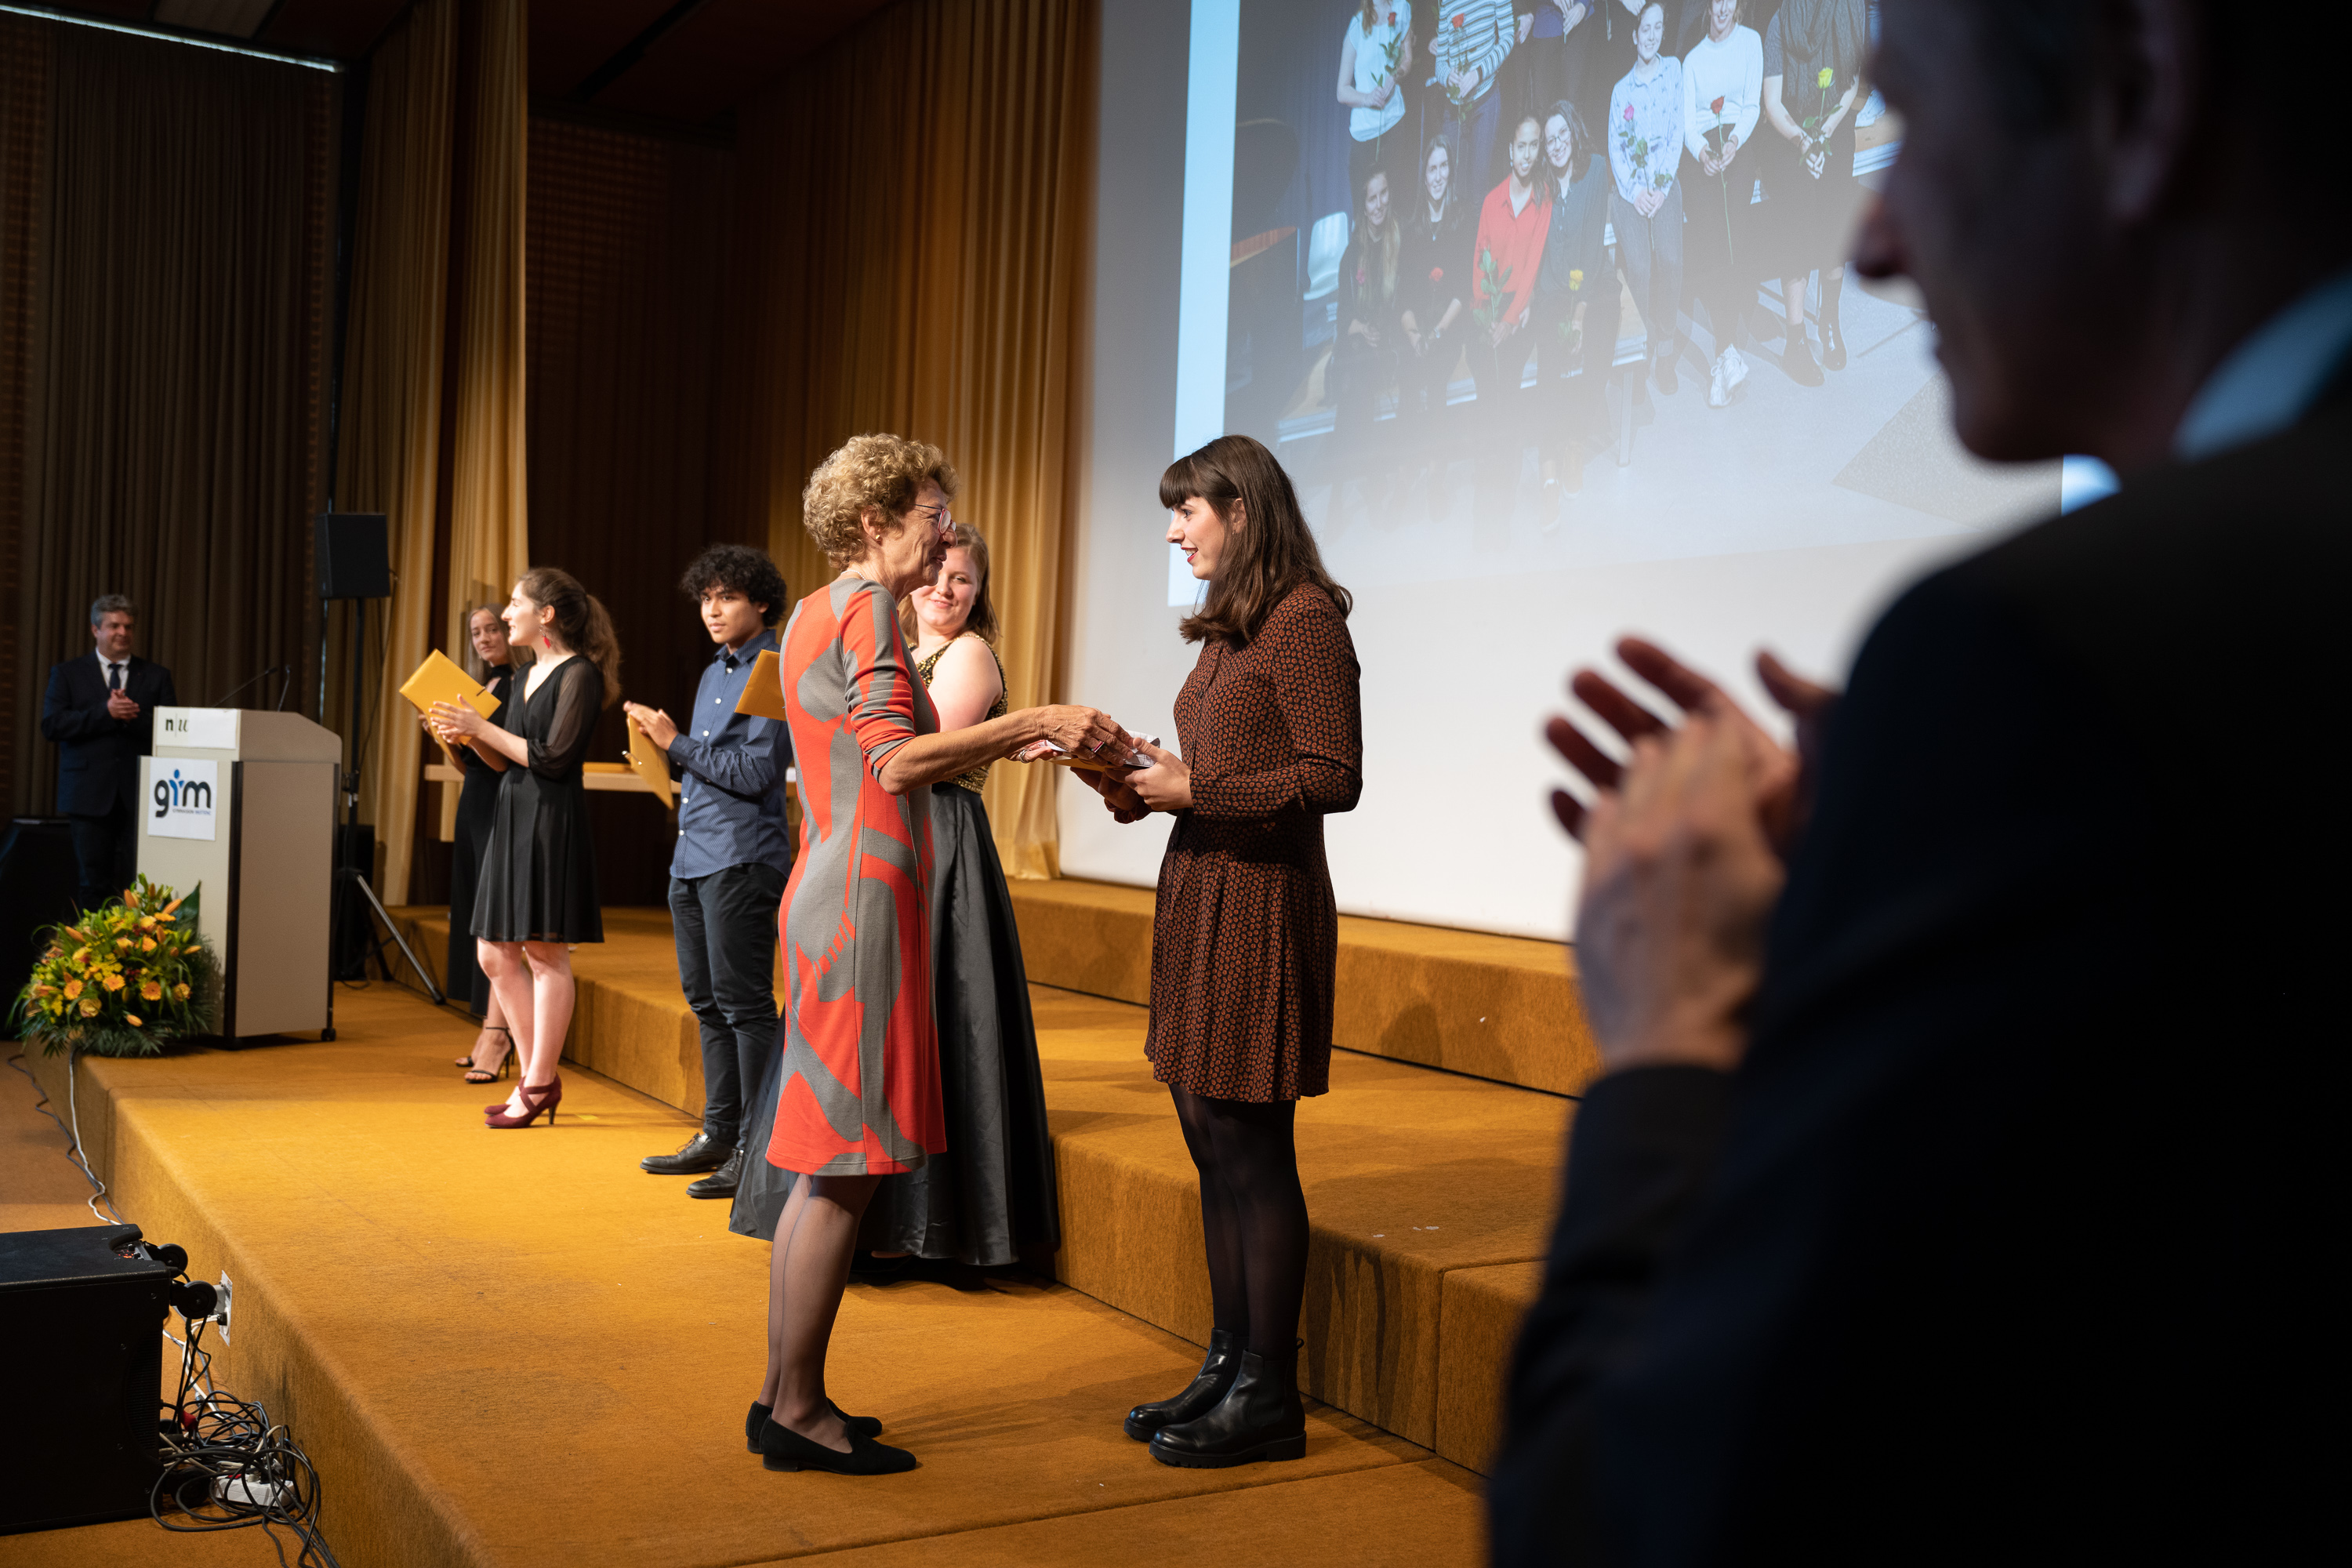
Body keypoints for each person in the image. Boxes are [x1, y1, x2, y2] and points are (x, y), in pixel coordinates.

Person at [1490, 0, 2352, 1560]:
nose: (1873, 244)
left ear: (2144, 100)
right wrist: (1917, 859)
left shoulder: (2041, 661)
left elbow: (1635, 1518)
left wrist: (1677, 1033)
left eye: (1903, 128)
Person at [745, 434, 1125, 1477]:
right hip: (864, 898)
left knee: (826, 1168)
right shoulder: (870, 607)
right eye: (931, 515)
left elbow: (874, 750)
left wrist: (1007, 738)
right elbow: (897, 761)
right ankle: (798, 1409)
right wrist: (1029, 719)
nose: (945, 533)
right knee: (846, 1172)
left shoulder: (815, 609)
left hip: (829, 886)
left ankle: (783, 1394)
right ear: (875, 522)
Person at [1080, 434, 1363, 1470]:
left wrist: (1198, 788)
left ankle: (1269, 1393)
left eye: (1186, 510)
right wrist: (1138, 778)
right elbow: (1224, 762)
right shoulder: (1231, 625)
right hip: (1203, 888)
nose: (1173, 531)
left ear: (1241, 510)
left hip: (1262, 900)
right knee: (1208, 1137)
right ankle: (1227, 1361)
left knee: (1251, 1146)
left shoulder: (1305, 619)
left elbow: (1333, 776)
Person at [855, 521, 1061, 1269]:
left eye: (963, 579)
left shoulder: (968, 653)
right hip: (891, 835)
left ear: (980, 593)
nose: (945, 590)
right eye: (937, 574)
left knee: (938, 1020)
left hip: (938, 841)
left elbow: (922, 753)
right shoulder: (897, 650)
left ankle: (927, 1228)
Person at [623, 546, 796, 1201]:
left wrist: (675, 744)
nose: (713, 609)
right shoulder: (712, 670)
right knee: (705, 1002)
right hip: (693, 855)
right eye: (705, 597)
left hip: (742, 857)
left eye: (727, 597)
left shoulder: (775, 669)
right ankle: (720, 1133)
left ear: (760, 602)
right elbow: (704, 765)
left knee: (746, 1006)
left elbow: (756, 773)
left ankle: (756, 1146)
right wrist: (659, 751)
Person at [428, 567, 620, 1131]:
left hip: (549, 820)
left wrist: (482, 728)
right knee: (494, 954)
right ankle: (539, 1077)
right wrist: (466, 736)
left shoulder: (579, 674)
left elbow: (553, 758)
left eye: (515, 604)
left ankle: (536, 1081)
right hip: (512, 812)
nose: (507, 614)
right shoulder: (525, 675)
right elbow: (502, 759)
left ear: (547, 615)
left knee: (544, 953)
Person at [41, 595, 177, 913]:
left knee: (141, 884)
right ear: (95, 630)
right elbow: (52, 725)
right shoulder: (68, 673)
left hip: (142, 796)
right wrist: (106, 712)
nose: (123, 633)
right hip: (88, 795)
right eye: (114, 626)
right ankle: (94, 944)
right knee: (93, 884)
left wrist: (133, 716)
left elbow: (170, 730)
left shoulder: (156, 675)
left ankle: (139, 944)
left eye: (128, 626)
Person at [1759, 0, 1867, 384]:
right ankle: (1796, 341)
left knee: (1835, 225)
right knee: (1799, 227)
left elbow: (1851, 85)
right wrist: (1805, 143)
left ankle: (1829, 322)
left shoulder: (1848, 9)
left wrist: (1824, 134)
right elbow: (1773, 102)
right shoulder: (1779, 22)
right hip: (1791, 134)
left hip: (1832, 127)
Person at [440, 605, 521, 1082]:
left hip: (500, 803)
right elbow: (469, 764)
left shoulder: (517, 683)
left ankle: (498, 1035)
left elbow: (503, 759)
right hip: (474, 800)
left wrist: (472, 734)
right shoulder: (481, 686)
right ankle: (487, 1031)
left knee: (497, 923)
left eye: (493, 629)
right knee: (476, 916)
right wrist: (449, 739)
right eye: (476, 632)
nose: (485, 638)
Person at [1529, 97, 1615, 521]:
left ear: (1574, 133)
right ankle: (1548, 471)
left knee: (1600, 343)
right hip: (1554, 293)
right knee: (1549, 366)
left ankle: (1576, 440)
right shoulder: (1541, 186)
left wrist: (1580, 316)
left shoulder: (1595, 169)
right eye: (1550, 140)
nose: (1558, 143)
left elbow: (1593, 250)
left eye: (1563, 133)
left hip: (1593, 286)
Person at [1679, 0, 1762, 407]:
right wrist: (1702, 153)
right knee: (1711, 240)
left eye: (1730, 0)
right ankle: (1727, 354)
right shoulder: (1693, 60)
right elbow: (1687, 123)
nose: (1724, 7)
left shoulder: (1751, 43)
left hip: (1737, 143)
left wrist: (1732, 142)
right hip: (1702, 152)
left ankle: (1723, 353)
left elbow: (1751, 106)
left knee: (1733, 238)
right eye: (1717, 0)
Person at [1607, 4, 1686, 395]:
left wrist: (1661, 187)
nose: (1651, 35)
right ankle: (1638, 354)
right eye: (1645, 29)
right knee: (1638, 266)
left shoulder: (1673, 71)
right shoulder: (1622, 91)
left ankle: (1665, 346)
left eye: (1658, 28)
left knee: (1669, 258)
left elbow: (1676, 133)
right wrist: (1637, 192)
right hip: (1632, 191)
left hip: (1664, 183)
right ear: (1634, 35)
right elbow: (1616, 150)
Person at [1397, 132, 1474, 493]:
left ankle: (1436, 468)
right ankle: (1407, 464)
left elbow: (1463, 290)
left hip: (1450, 324)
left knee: (1437, 375)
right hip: (1418, 327)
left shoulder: (1461, 220)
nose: (1439, 175)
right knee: (1409, 374)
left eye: (1444, 167)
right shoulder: (1411, 228)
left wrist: (1438, 331)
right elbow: (1404, 296)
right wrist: (1415, 335)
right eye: (1432, 169)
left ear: (1450, 172)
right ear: (1424, 175)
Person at [1333, 165, 1409, 467]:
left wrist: (1383, 332)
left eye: (1383, 194)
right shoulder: (1352, 255)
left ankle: (1357, 465)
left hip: (1392, 341)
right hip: (1360, 344)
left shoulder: (1403, 244)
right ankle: (1357, 465)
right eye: (1371, 198)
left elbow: (1406, 303)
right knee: (1357, 370)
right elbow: (1343, 317)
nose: (1379, 205)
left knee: (1361, 374)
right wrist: (1364, 329)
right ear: (1363, 206)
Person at [1432, 0, 1518, 199]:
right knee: (1453, 189)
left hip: (1485, 99)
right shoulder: (1447, 3)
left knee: (1479, 189)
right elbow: (1440, 62)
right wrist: (1448, 76)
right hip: (1454, 107)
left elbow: (1507, 38)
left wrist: (1478, 74)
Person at [1338, 2, 1414, 201]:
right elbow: (1342, 91)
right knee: (1366, 208)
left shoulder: (1401, 8)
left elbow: (1407, 58)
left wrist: (1395, 76)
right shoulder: (1358, 25)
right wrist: (1368, 98)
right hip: (1365, 135)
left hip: (1394, 123)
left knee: (1395, 203)